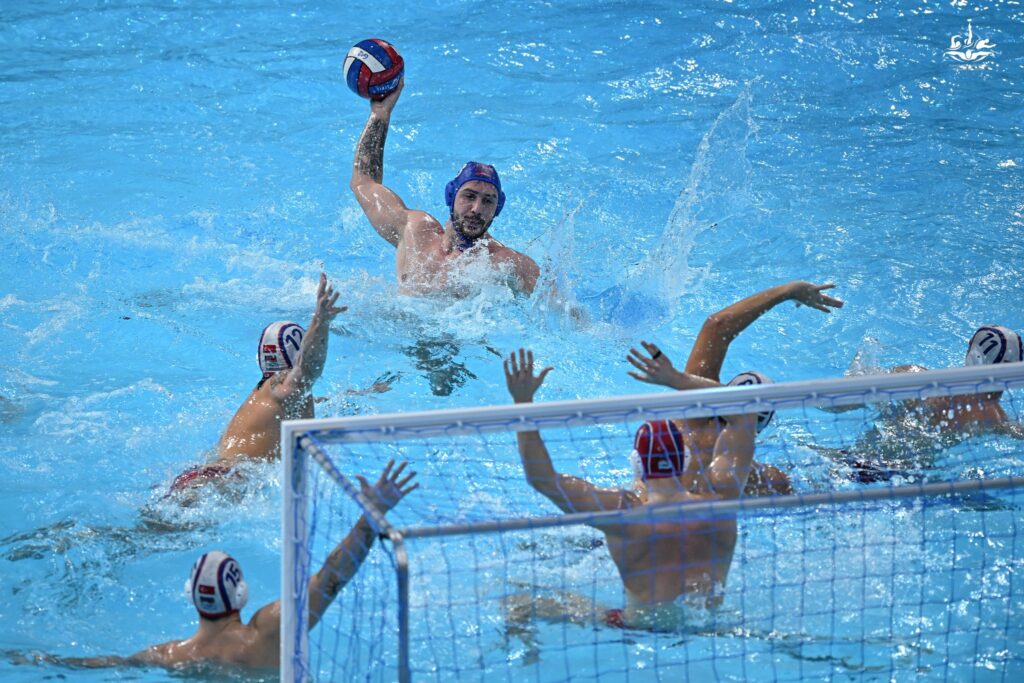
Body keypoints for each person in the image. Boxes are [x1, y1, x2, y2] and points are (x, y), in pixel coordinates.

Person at [34, 461, 417, 671]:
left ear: (192, 598)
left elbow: (103, 665)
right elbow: (332, 578)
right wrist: (370, 517)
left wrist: (42, 660)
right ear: (241, 594)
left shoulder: (170, 656)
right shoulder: (268, 633)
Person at [503, 348, 758, 631]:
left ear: (637, 464)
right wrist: (675, 378)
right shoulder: (719, 503)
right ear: (685, 459)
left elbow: (541, 478)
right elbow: (743, 411)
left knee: (518, 601)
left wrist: (522, 403)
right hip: (707, 627)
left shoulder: (622, 516)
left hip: (636, 628)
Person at [627, 280, 844, 496]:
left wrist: (788, 291)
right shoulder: (760, 479)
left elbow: (716, 326)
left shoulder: (689, 417)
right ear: (758, 427)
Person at [350, 78, 540, 296]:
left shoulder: (508, 265)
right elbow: (363, 182)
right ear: (451, 196)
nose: (477, 209)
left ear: (498, 208)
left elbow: (562, 308)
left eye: (488, 201)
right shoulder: (414, 231)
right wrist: (380, 114)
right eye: (469, 196)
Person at [168, 273, 346, 494]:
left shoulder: (271, 395)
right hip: (222, 480)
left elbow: (319, 400)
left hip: (209, 476)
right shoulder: (283, 388)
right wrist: (320, 322)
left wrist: (365, 392)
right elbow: (308, 368)